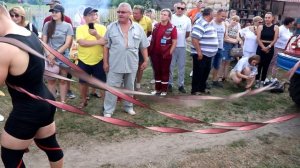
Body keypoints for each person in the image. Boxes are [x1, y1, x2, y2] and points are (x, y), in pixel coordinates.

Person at [0, 4, 63, 167]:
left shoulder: (4, 46)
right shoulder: (28, 32)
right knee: (49, 145)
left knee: (10, 156)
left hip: (28, 110)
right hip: (46, 101)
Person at [103, 2, 149, 118]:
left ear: (129, 13)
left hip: (131, 63)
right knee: (112, 87)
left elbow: (143, 46)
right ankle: (108, 110)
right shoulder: (111, 27)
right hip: (115, 63)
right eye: (118, 12)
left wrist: (145, 60)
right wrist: (105, 62)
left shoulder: (138, 28)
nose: (120, 14)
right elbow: (106, 46)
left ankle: (128, 107)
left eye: (123, 12)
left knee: (129, 87)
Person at [42, 4, 74, 107]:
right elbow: (44, 42)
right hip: (49, 56)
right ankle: (53, 102)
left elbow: (67, 44)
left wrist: (55, 55)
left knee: (63, 80)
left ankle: (63, 102)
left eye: (56, 12)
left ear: (62, 13)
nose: (54, 14)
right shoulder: (47, 24)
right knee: (51, 81)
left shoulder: (68, 26)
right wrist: (49, 55)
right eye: (52, 12)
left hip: (63, 56)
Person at [76, 7, 107, 109]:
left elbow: (105, 43)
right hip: (83, 60)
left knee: (102, 83)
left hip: (99, 60)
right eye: (90, 15)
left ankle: (105, 105)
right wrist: (98, 41)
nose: (93, 16)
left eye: (95, 14)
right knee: (83, 83)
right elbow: (82, 43)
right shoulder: (80, 28)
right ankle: (84, 100)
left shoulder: (102, 28)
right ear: (84, 17)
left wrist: (96, 34)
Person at [149, 8, 177, 96]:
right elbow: (152, 38)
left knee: (164, 71)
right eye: (162, 14)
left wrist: (169, 52)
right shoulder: (156, 26)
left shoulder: (172, 28)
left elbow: (174, 42)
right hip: (155, 53)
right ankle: (157, 89)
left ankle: (164, 90)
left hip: (165, 54)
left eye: (165, 15)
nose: (162, 16)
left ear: (169, 17)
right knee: (156, 71)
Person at [191, 7, 218, 95]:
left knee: (205, 72)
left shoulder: (209, 23)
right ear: (209, 14)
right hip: (201, 54)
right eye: (214, 13)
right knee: (198, 72)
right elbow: (195, 39)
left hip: (208, 55)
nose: (215, 15)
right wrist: (199, 52)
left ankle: (202, 88)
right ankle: (195, 90)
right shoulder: (200, 23)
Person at [168, 2, 191, 93]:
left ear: (185, 10)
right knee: (170, 66)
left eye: (182, 8)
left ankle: (181, 85)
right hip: (171, 46)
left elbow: (188, 33)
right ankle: (169, 83)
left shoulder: (187, 19)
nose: (180, 10)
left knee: (181, 66)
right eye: (179, 8)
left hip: (182, 46)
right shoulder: (170, 18)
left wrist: (180, 39)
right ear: (175, 8)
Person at [131, 5, 152, 91]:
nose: (134, 15)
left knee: (140, 66)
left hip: (142, 47)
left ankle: (138, 84)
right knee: (131, 65)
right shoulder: (129, 18)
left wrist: (142, 41)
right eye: (133, 13)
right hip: (131, 46)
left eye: (136, 13)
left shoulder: (148, 20)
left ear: (142, 14)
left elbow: (150, 32)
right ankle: (130, 83)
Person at [256, 12, 279, 86]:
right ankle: (257, 81)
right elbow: (258, 39)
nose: (267, 19)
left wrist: (268, 47)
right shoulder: (260, 27)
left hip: (270, 48)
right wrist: (263, 47)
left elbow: (275, 39)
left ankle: (262, 81)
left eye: (269, 17)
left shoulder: (276, 27)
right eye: (265, 17)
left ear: (272, 18)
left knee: (266, 65)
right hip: (260, 47)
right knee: (259, 64)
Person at [219, 15, 242, 82]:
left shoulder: (237, 28)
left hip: (232, 47)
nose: (235, 22)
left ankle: (225, 77)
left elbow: (237, 39)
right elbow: (225, 38)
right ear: (230, 20)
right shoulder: (226, 26)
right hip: (226, 46)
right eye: (233, 20)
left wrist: (233, 40)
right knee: (223, 61)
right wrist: (234, 40)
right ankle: (220, 76)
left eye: (237, 21)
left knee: (228, 62)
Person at [210, 9, 227, 88]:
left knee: (217, 65)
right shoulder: (211, 23)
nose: (224, 18)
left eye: (225, 16)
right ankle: (204, 80)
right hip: (211, 47)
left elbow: (224, 36)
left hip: (220, 47)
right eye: (222, 16)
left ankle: (214, 80)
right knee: (209, 65)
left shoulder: (224, 24)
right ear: (217, 15)